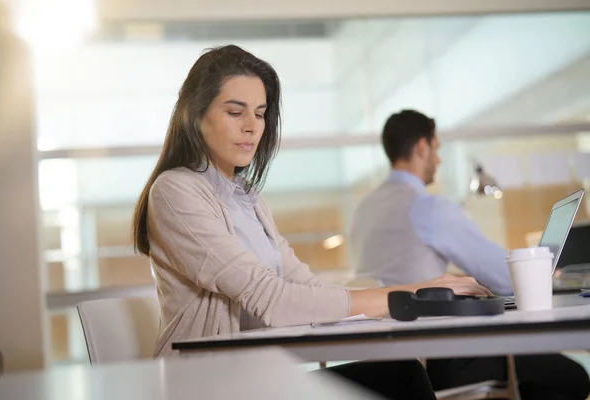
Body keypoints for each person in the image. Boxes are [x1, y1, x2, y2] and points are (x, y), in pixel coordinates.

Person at [131, 45, 493, 400]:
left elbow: (308, 288)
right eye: (234, 112)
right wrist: (413, 294)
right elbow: (273, 301)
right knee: (401, 378)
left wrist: (409, 299)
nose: (251, 127)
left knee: (400, 372)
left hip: (261, 381)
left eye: (259, 114)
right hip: (210, 388)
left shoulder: (248, 199)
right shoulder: (175, 191)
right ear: (195, 115)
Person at [349, 109, 590, 400]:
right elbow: (504, 275)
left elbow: (397, 274)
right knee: (570, 376)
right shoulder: (427, 207)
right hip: (440, 357)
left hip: (384, 362)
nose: (438, 160)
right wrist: (540, 272)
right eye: (436, 150)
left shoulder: (363, 210)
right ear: (422, 147)